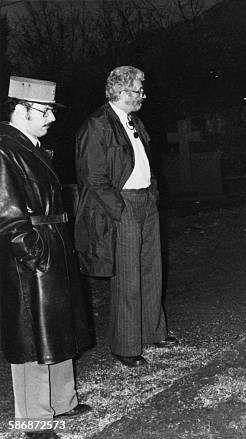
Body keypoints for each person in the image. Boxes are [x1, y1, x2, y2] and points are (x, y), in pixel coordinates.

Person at [0, 76, 94, 439]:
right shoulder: (5, 148)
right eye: (44, 111)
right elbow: (7, 215)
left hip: (52, 245)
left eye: (52, 110)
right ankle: (34, 420)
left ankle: (63, 401)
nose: (51, 118)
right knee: (33, 338)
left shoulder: (30, 145)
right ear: (20, 110)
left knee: (57, 327)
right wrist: (34, 253)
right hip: (32, 255)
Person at [74, 66, 177, 368]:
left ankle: (154, 332)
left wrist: (153, 192)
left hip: (145, 200)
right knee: (128, 275)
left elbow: (145, 161)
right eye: (137, 90)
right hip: (123, 205)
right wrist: (119, 209)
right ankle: (126, 345)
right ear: (118, 91)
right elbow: (92, 176)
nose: (142, 95)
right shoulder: (98, 125)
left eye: (141, 89)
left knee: (151, 269)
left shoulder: (133, 120)